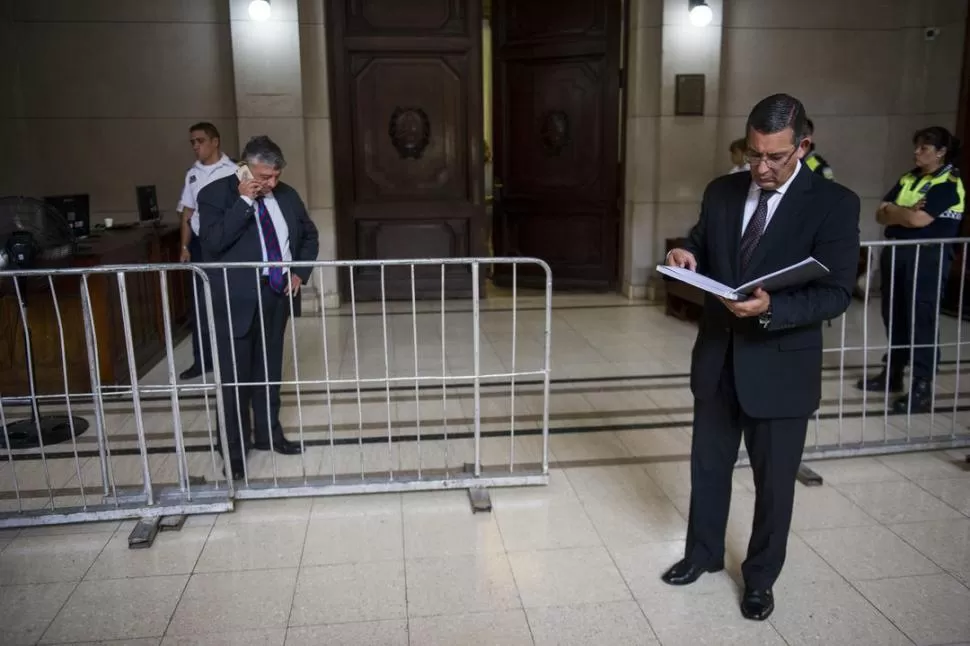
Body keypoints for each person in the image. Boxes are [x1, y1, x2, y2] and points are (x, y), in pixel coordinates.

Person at [663, 94, 860, 621]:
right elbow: (704, 241)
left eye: (775, 157)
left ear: (803, 146)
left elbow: (838, 292)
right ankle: (702, 554)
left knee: (774, 484)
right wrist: (687, 251)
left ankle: (760, 577)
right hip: (718, 358)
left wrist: (773, 306)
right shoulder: (723, 190)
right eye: (753, 154)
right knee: (708, 466)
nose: (762, 167)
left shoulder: (834, 203)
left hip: (781, 365)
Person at [198, 135, 320, 477]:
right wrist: (243, 203)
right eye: (265, 176)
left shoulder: (287, 195)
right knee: (234, 378)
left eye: (276, 176)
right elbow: (213, 243)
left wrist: (299, 271)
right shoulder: (214, 195)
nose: (272, 183)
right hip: (234, 301)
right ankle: (234, 451)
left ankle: (269, 434)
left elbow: (309, 236)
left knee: (268, 373)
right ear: (244, 168)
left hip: (275, 296)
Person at [856, 126, 964, 413]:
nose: (917, 152)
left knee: (921, 320)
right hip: (898, 254)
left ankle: (922, 386)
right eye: (916, 147)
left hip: (927, 258)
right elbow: (880, 212)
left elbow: (919, 221)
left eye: (924, 148)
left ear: (941, 153)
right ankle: (893, 374)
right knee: (895, 315)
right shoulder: (908, 177)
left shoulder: (948, 182)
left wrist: (898, 214)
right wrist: (902, 213)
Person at [176, 122, 238, 380]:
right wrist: (185, 246)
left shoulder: (234, 170)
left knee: (231, 302)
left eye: (200, 141)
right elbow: (187, 214)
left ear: (215, 141)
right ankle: (203, 360)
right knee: (201, 305)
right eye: (192, 142)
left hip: (230, 244)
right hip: (202, 245)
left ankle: (233, 358)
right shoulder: (192, 174)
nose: (195, 146)